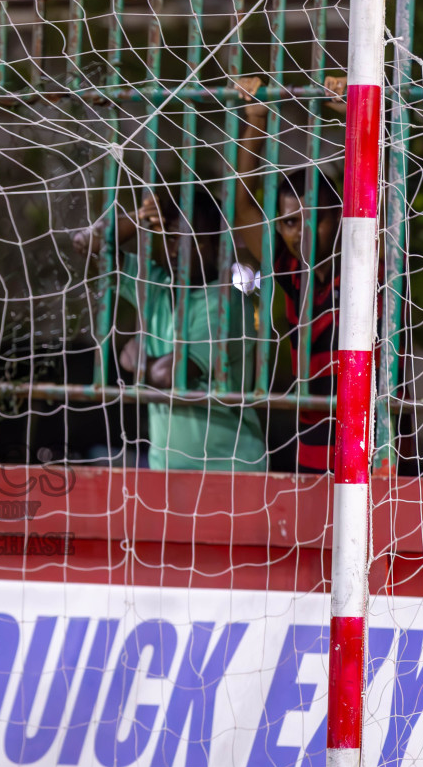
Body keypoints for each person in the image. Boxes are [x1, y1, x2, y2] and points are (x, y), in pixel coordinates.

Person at [232, 80, 347, 475]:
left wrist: (354, 115)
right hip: (312, 444)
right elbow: (242, 207)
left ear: (340, 218)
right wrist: (257, 122)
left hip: (375, 442)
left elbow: (383, 187)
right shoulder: (290, 271)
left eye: (314, 218)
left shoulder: (367, 263)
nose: (301, 231)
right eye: (290, 222)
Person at [108, 188, 268, 470]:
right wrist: (138, 218)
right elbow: (90, 248)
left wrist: (135, 359)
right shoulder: (155, 288)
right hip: (166, 469)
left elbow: (170, 374)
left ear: (219, 246)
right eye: (170, 237)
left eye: (190, 240)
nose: (174, 249)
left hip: (229, 470)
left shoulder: (223, 302)